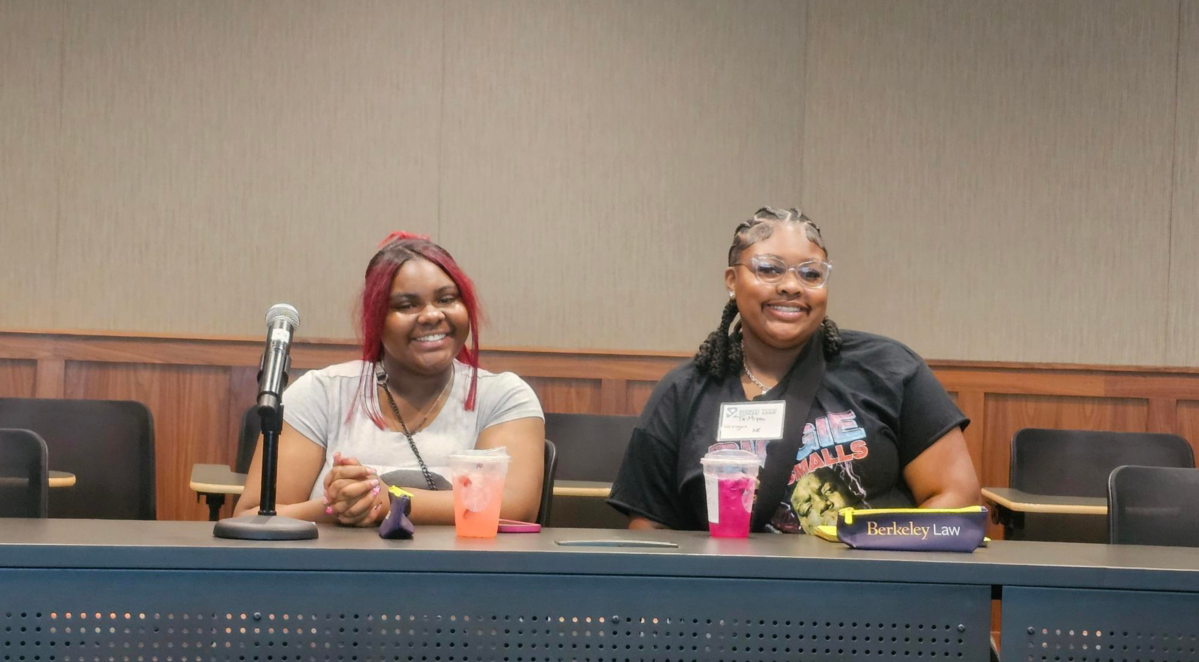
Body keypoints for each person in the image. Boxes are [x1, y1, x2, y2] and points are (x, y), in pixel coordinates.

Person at [608, 207, 980, 532]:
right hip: (729, 604)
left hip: (872, 600)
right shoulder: (682, 393)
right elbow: (651, 529)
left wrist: (875, 557)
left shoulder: (890, 369)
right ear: (732, 281)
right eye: (768, 269)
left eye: (811, 274)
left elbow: (957, 496)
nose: (790, 286)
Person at [235, 232, 545, 526]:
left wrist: (391, 500)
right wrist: (337, 505)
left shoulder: (504, 396)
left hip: (463, 579)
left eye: (447, 299)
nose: (432, 315)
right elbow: (251, 516)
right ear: (376, 320)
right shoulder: (319, 394)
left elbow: (513, 506)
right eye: (406, 305)